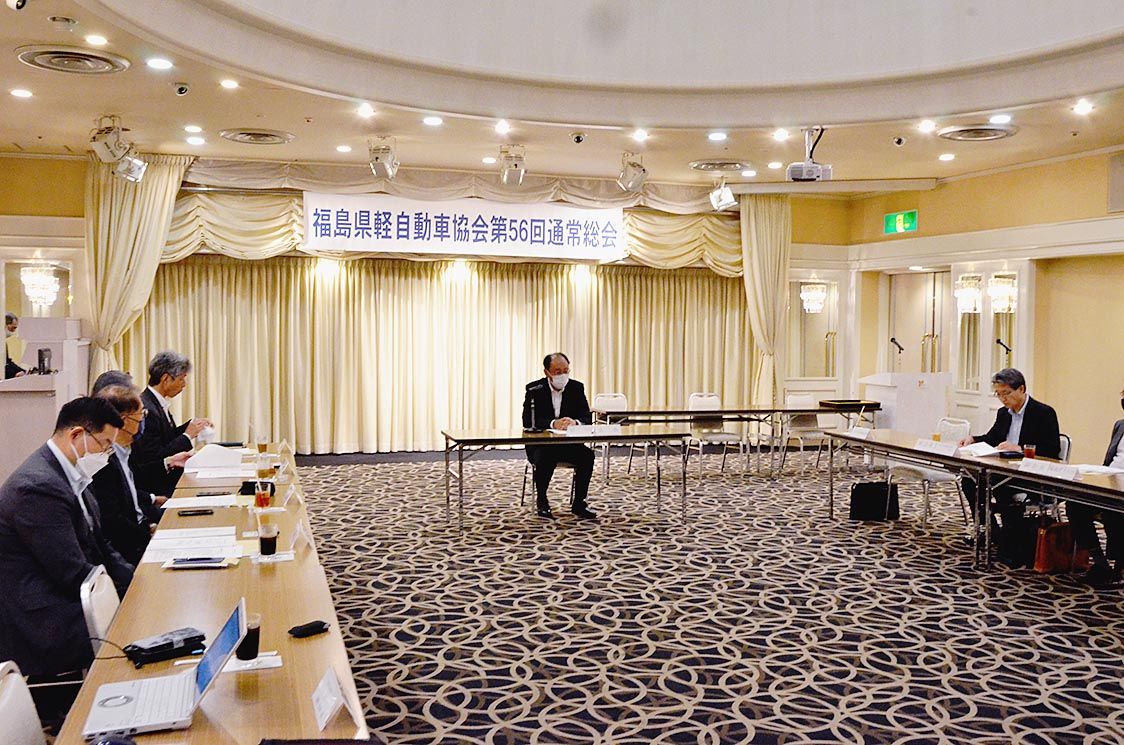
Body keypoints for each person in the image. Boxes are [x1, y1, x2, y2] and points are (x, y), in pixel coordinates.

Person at [0, 396, 134, 679]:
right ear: (76, 435)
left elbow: (100, 544)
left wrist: (136, 581)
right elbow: (70, 572)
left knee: (143, 608)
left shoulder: (72, 473)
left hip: (66, 591)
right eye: (104, 444)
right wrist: (121, 597)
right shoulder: (37, 487)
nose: (107, 454)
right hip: (41, 615)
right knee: (135, 628)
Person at [958, 368, 1061, 563]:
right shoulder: (1003, 413)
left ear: (1021, 389)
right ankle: (991, 530)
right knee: (969, 480)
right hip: (1004, 469)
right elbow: (992, 438)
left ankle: (1011, 542)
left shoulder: (1043, 413)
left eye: (1006, 393)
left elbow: (1052, 450)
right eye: (998, 394)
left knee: (1001, 488)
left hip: (1030, 475)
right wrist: (973, 439)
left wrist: (1020, 449)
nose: (1002, 399)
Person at [92, 384, 188, 564]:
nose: (144, 419)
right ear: (124, 420)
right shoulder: (102, 461)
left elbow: (133, 485)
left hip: (145, 522)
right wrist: (150, 531)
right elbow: (112, 520)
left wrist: (152, 497)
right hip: (132, 544)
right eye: (141, 414)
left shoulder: (125, 449)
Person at [522, 352, 596, 519]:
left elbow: (587, 417)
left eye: (566, 371)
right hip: (541, 445)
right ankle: (542, 501)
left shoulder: (576, 388)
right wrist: (553, 423)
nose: (562, 375)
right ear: (547, 372)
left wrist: (575, 422)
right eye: (557, 372)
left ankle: (579, 504)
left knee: (587, 456)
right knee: (546, 456)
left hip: (568, 444)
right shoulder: (534, 389)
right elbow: (528, 420)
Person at [130, 351, 213, 496]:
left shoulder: (155, 401)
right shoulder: (147, 409)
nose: (184, 384)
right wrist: (187, 436)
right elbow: (156, 455)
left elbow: (166, 436)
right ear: (166, 379)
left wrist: (192, 426)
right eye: (181, 379)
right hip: (158, 485)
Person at [1067, 390, 1124, 588]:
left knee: (1114, 513)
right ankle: (1099, 562)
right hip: (1110, 482)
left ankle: (1119, 569)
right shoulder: (1120, 425)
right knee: (1075, 504)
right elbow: (1110, 460)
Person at [4, 311, 24, 379]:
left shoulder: (3, 342)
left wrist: (22, 371)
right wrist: (14, 374)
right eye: (13, 328)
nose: (14, 331)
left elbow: (7, 362)